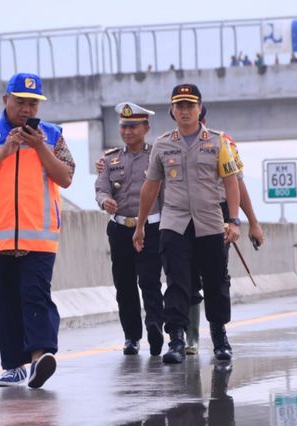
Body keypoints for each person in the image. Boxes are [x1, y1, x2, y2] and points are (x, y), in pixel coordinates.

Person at [0, 72, 75, 388]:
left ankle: (40, 359)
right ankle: (14, 365)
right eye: (20, 102)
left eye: (33, 103)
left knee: (35, 296)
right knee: (5, 301)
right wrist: (6, 153)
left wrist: (40, 149)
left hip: (39, 233)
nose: (26, 109)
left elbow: (65, 177)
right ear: (5, 99)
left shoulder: (52, 135)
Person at [133, 83, 241, 365]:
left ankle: (219, 337)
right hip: (175, 222)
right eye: (179, 106)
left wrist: (234, 220)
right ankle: (177, 340)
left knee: (216, 281)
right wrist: (141, 224)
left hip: (210, 223)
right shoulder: (162, 144)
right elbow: (150, 186)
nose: (184, 111)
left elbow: (231, 183)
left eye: (190, 106)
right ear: (171, 110)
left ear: (199, 108)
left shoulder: (219, 143)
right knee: (177, 282)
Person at [184, 105, 265, 355]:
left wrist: (250, 222)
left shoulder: (224, 144)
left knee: (216, 275)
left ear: (202, 118)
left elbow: (237, 184)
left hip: (218, 213)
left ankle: (219, 337)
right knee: (185, 276)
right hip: (184, 214)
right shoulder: (174, 143)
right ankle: (191, 338)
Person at [94, 102, 164, 356]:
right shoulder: (110, 159)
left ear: (146, 128)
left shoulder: (157, 156)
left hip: (151, 228)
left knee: (149, 280)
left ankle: (155, 327)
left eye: (133, 126)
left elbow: (167, 192)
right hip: (121, 229)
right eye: (124, 126)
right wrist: (105, 201)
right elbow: (101, 188)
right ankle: (131, 337)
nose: (128, 131)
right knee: (124, 285)